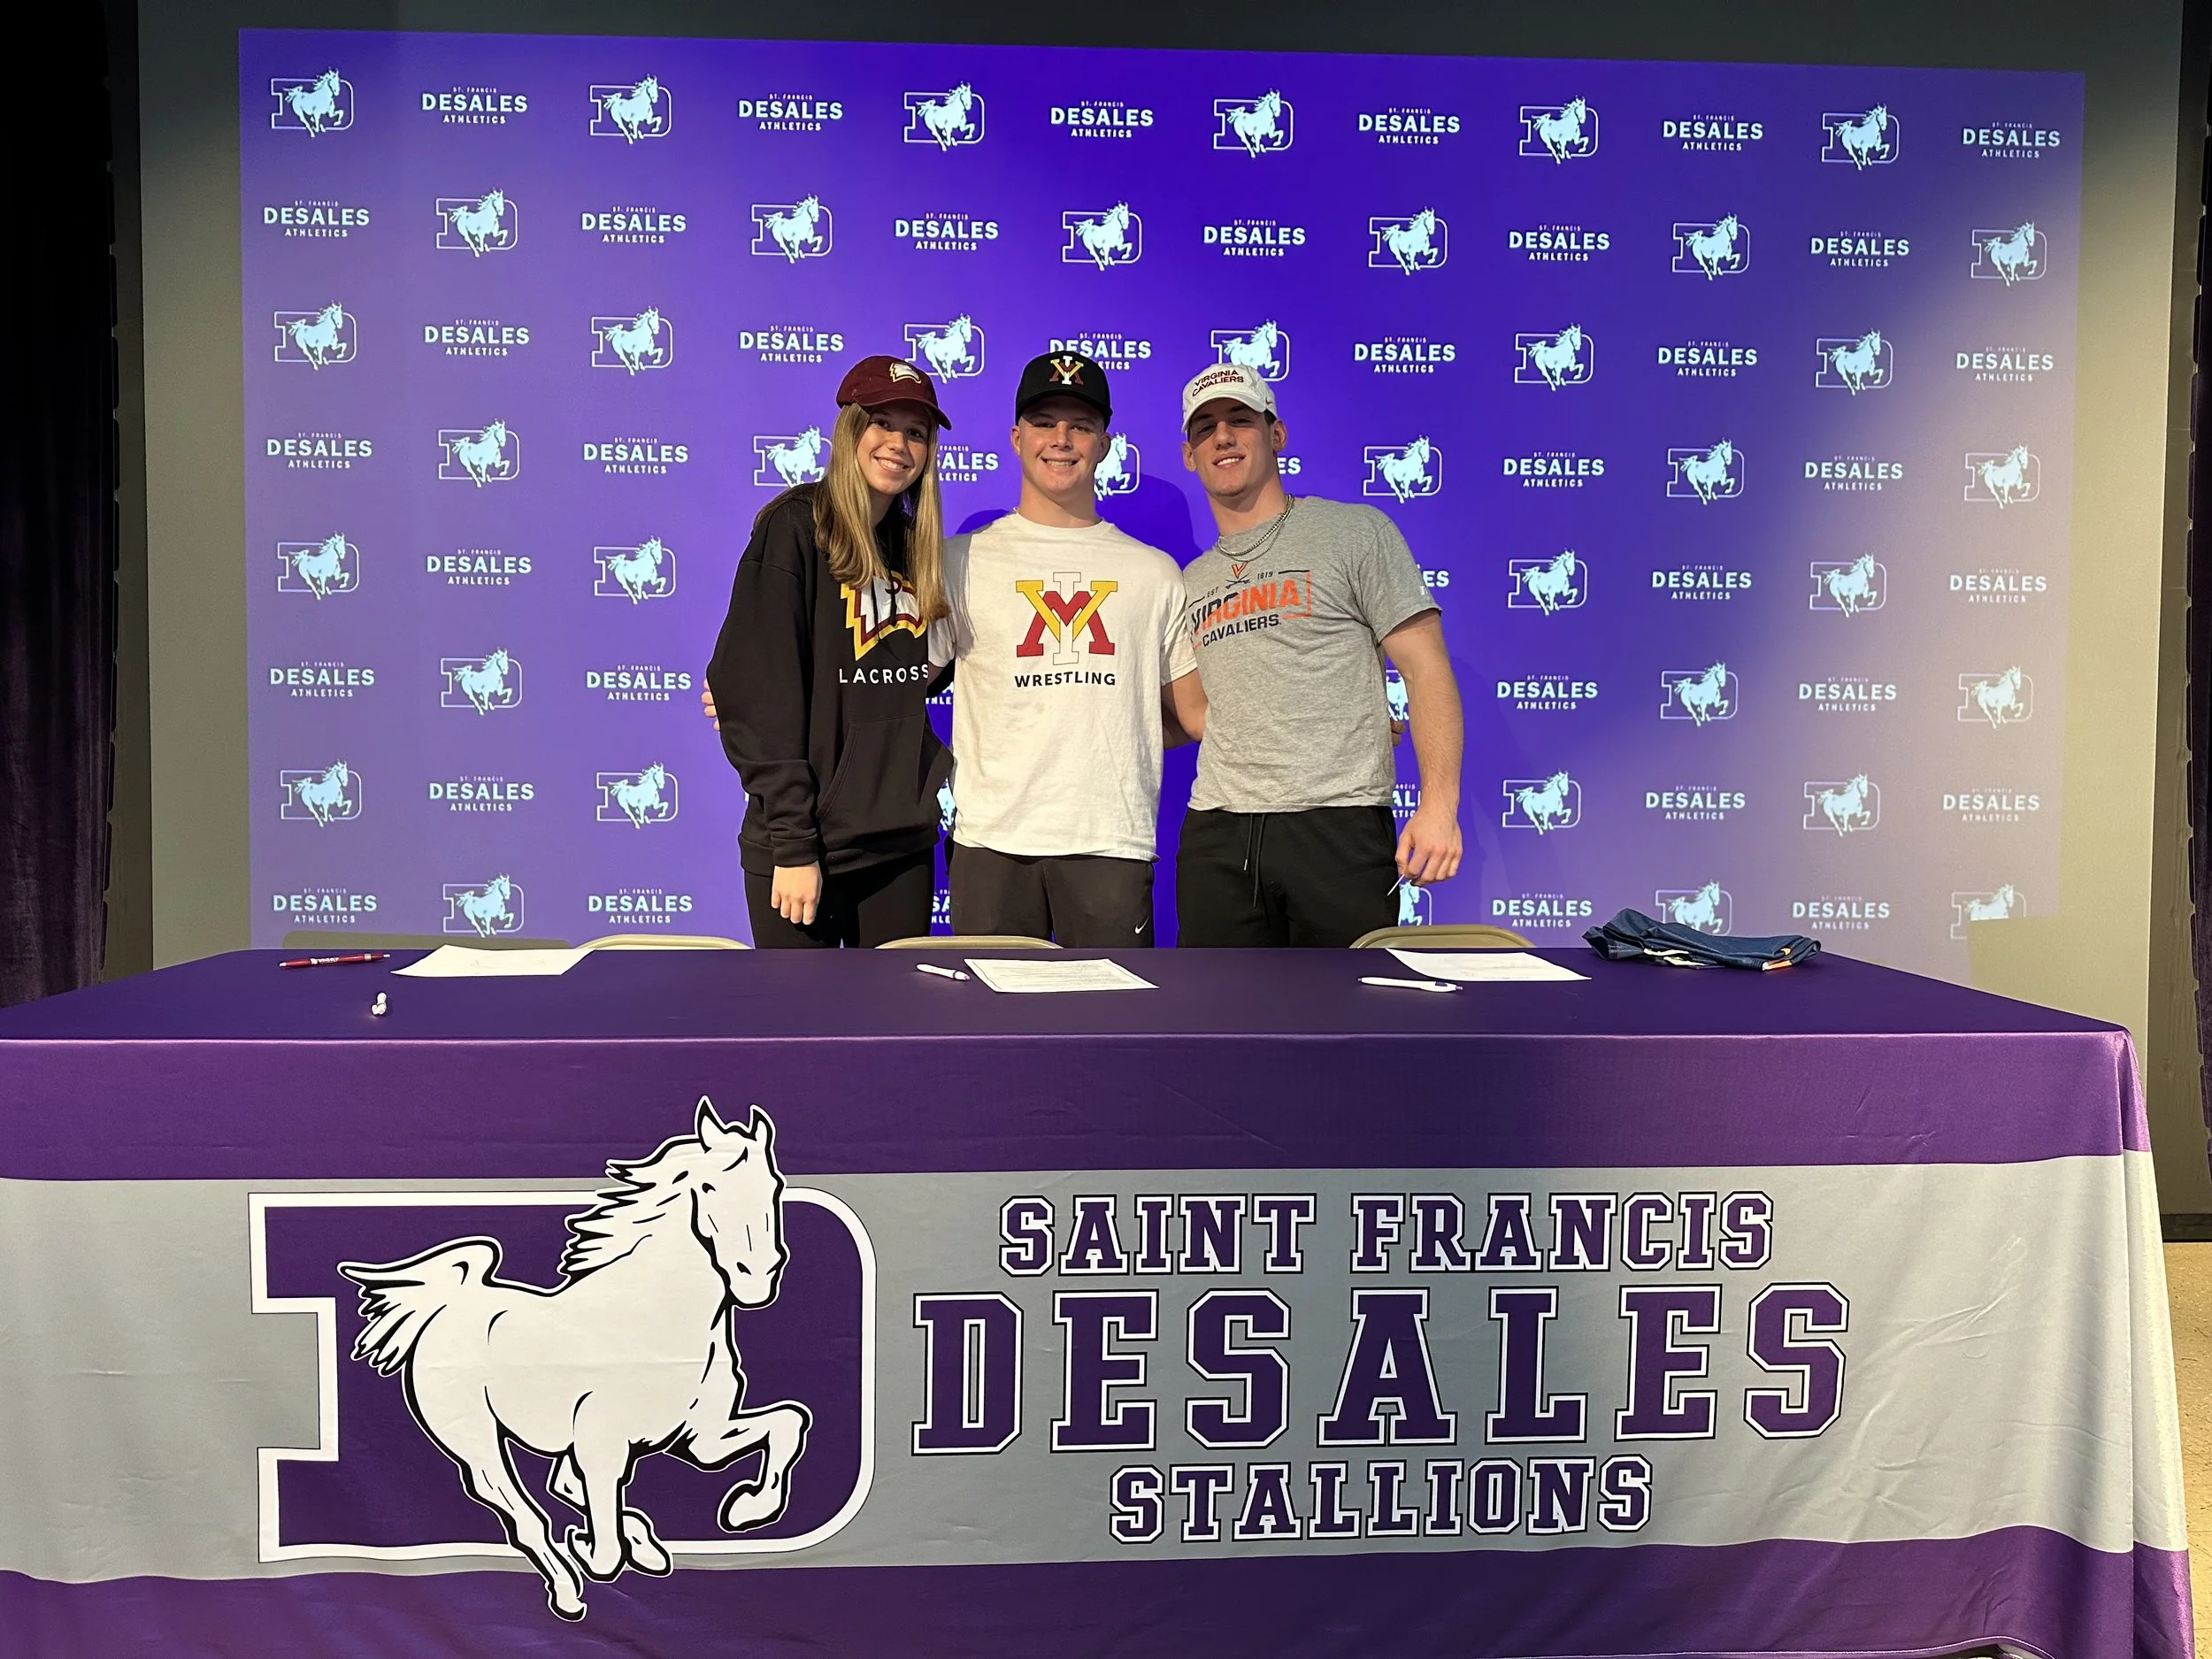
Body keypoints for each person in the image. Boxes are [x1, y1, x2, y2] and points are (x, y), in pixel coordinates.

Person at [1172, 362, 1464, 946]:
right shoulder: (1191, 580)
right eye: (1206, 428)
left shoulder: (1355, 532)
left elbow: (1425, 667)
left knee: (1348, 1003)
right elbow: (1202, 714)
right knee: (1212, 1005)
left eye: (1240, 420)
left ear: (1276, 434)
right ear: (1189, 455)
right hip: (1217, 836)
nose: (1223, 437)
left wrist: (1439, 805)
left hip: (1338, 828)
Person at [939, 350, 1205, 945]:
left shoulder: (1154, 572)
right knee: (989, 1008)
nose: (1061, 439)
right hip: (991, 844)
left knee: (1112, 1009)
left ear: (1104, 444)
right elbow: (892, 684)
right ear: (1016, 438)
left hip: (1109, 843)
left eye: (1080, 426)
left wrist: (1339, 720)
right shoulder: (959, 561)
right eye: (1043, 423)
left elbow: (1194, 716)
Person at [704, 355, 954, 947]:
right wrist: (794, 845)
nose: (899, 445)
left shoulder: (914, 546)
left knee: (895, 1011)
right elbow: (761, 694)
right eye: (882, 424)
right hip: (805, 846)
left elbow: (911, 670)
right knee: (798, 1011)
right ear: (849, 430)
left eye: (916, 432)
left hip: (900, 848)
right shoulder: (795, 527)